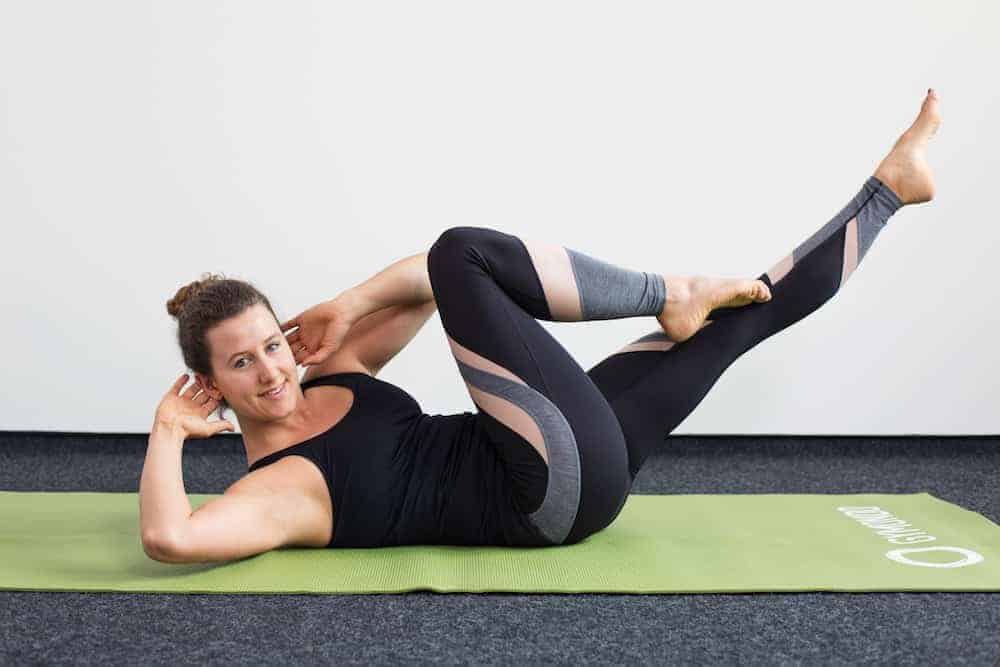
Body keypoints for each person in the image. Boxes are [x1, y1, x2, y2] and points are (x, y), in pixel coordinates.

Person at [143, 89, 941, 561]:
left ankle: (889, 191)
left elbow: (426, 285)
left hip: (571, 460)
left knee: (735, 321)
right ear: (210, 383)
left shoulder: (337, 370)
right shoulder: (277, 489)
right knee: (463, 250)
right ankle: (668, 290)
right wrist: (169, 430)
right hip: (543, 489)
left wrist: (348, 305)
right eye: (242, 363)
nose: (272, 369)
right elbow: (170, 537)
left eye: (272, 344)